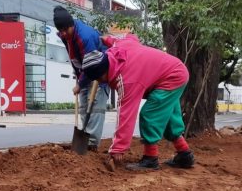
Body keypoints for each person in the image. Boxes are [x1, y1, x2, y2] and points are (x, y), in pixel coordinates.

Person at [79, 34, 195, 171]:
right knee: (169, 117)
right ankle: (185, 155)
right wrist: (107, 39)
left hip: (172, 77)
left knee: (150, 115)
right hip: (173, 69)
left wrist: (118, 148)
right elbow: (130, 37)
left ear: (102, 73)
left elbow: (126, 115)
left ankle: (150, 159)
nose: (100, 82)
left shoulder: (127, 81)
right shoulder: (116, 48)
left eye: (99, 79)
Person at [53, 6, 109, 151]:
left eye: (66, 30)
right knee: (84, 107)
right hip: (84, 73)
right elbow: (76, 58)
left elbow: (91, 65)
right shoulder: (65, 36)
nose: (64, 33)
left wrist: (80, 84)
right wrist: (78, 77)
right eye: (61, 31)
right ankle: (84, 139)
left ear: (72, 25)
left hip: (98, 73)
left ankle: (91, 144)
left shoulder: (85, 36)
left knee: (96, 108)